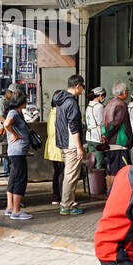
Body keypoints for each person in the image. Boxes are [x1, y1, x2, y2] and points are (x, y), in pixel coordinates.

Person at [52, 74, 86, 216]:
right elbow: (73, 126)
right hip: (72, 144)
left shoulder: (61, 101)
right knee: (71, 176)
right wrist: (79, 147)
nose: (83, 89)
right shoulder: (71, 102)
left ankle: (68, 202)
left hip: (63, 142)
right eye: (82, 86)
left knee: (68, 174)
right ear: (77, 85)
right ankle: (67, 205)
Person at [3, 92, 32, 220]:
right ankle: (16, 211)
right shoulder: (13, 113)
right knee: (20, 179)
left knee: (14, 178)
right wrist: (14, 134)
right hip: (17, 152)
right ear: (21, 102)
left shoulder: (16, 112)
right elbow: (6, 124)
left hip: (16, 152)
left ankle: (10, 208)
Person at [101, 82, 133, 175]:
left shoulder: (108, 103)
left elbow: (103, 122)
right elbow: (116, 123)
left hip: (110, 143)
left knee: (111, 171)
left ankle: (110, 190)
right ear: (123, 92)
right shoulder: (121, 104)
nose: (127, 93)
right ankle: (116, 189)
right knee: (120, 172)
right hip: (119, 143)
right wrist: (107, 135)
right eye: (126, 91)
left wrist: (104, 136)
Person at [43, 102, 65, 210]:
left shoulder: (51, 112)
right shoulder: (59, 113)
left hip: (51, 146)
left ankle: (56, 197)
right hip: (59, 146)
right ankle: (62, 197)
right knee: (62, 172)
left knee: (57, 172)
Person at [85, 86, 107, 172]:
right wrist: (104, 135)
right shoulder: (99, 106)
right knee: (99, 162)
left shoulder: (89, 105)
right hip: (97, 137)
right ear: (100, 95)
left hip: (89, 136)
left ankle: (90, 181)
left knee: (91, 161)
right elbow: (102, 123)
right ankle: (98, 182)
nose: (103, 98)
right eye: (103, 96)